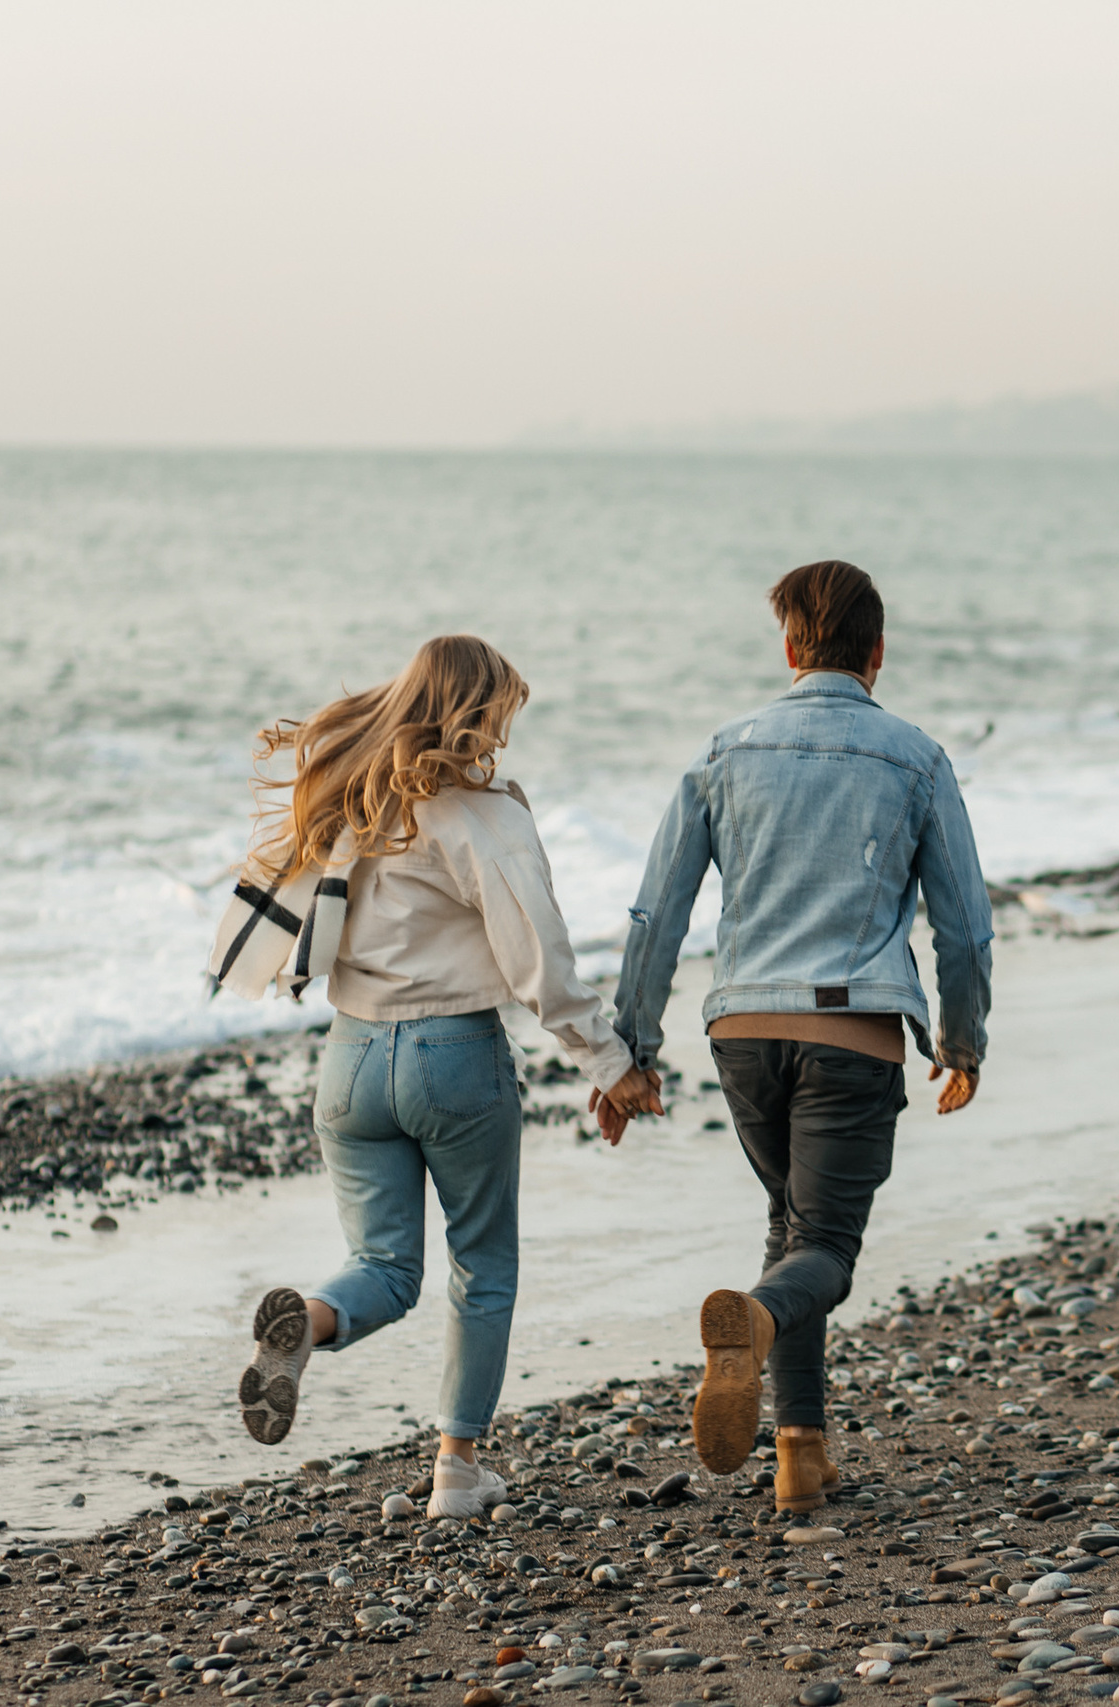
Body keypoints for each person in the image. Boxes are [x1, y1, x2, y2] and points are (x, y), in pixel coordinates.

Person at [226, 635, 663, 1518]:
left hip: (350, 1061)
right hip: (450, 1056)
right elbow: (538, 954)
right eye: (504, 710)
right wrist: (612, 1063)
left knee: (382, 1265)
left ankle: (305, 1325)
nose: (507, 729)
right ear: (477, 710)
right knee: (483, 1263)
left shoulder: (352, 806)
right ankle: (456, 1469)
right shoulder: (476, 814)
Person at [604, 561, 992, 1514]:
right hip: (853, 1033)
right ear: (877, 653)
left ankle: (799, 1456)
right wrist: (963, 1037)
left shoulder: (723, 753)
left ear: (788, 649)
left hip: (741, 1028)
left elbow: (659, 914)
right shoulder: (916, 757)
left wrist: (632, 1049)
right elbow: (966, 924)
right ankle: (760, 1321)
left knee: (790, 1221)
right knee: (822, 1246)